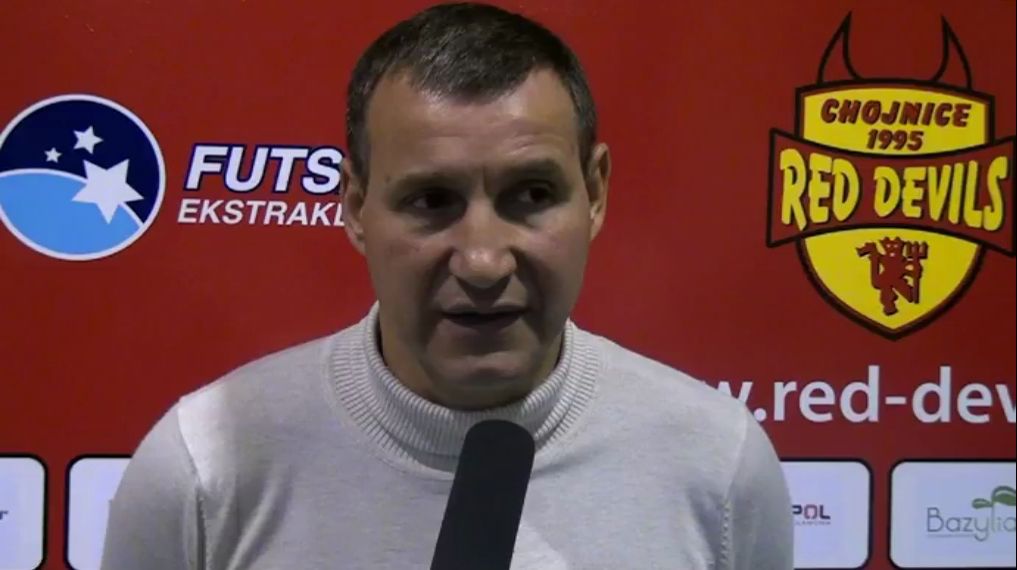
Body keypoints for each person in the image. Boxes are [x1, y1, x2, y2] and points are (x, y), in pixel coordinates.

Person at [101, 3, 793, 568]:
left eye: (531, 194)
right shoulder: (203, 467)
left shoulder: (717, 464)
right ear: (355, 207)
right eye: (432, 200)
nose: (484, 262)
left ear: (595, 192)